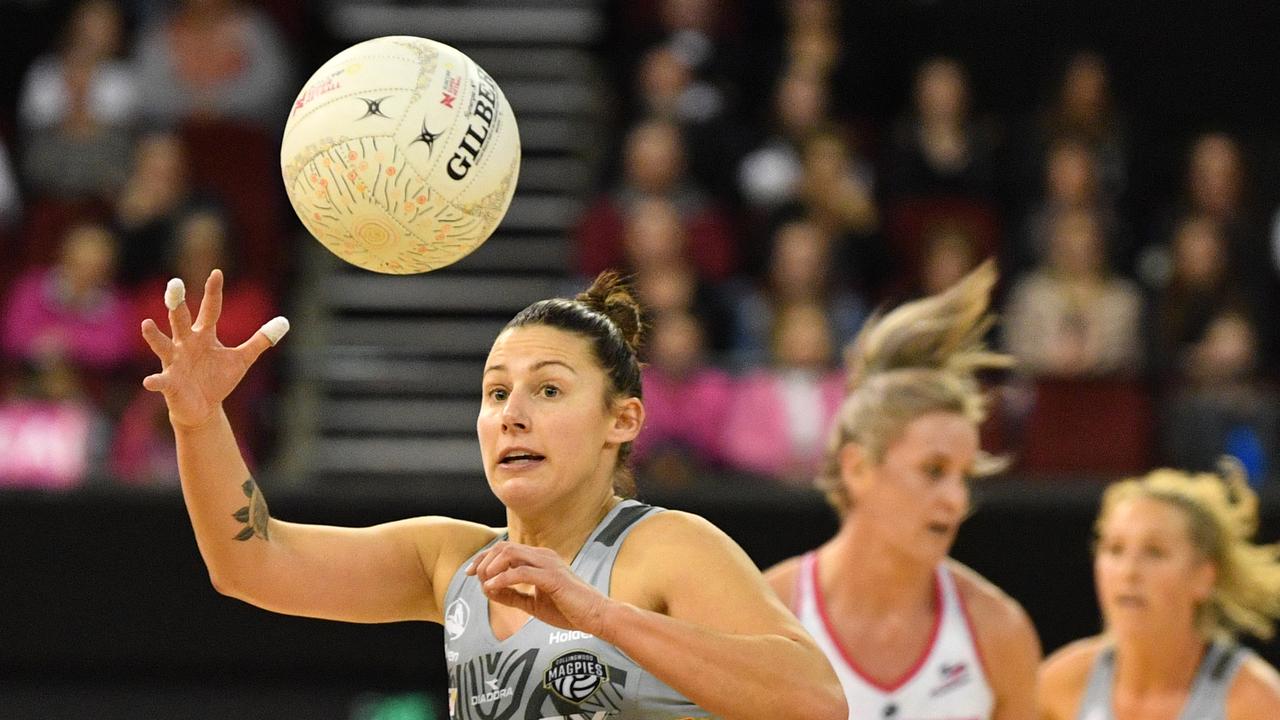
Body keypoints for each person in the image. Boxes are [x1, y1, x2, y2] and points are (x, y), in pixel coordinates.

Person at [139, 269, 847, 720]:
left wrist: (600, 615)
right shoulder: (452, 561)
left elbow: (815, 702)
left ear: (622, 419)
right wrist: (199, 421)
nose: (512, 413)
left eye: (547, 389)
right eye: (496, 391)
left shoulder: (667, 548)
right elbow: (250, 561)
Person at [764, 261, 1042, 719]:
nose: (956, 499)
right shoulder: (771, 614)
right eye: (933, 470)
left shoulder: (997, 630)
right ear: (857, 468)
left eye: (964, 475)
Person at [1037, 461, 1280, 720]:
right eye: (1115, 549)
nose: (1129, 571)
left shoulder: (1257, 701)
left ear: (1203, 577)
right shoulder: (1060, 684)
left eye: (1155, 552)